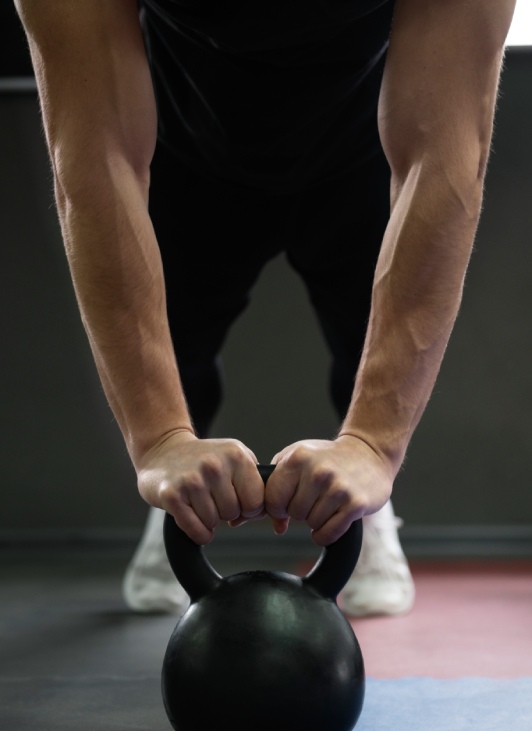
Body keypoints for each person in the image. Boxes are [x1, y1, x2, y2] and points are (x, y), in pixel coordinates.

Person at [15, 0, 515, 617]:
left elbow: (443, 156)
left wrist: (373, 446)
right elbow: (95, 156)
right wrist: (159, 439)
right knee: (183, 349)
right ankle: (177, 511)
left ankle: (370, 514)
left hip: (366, 145)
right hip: (182, 140)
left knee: (359, 342)